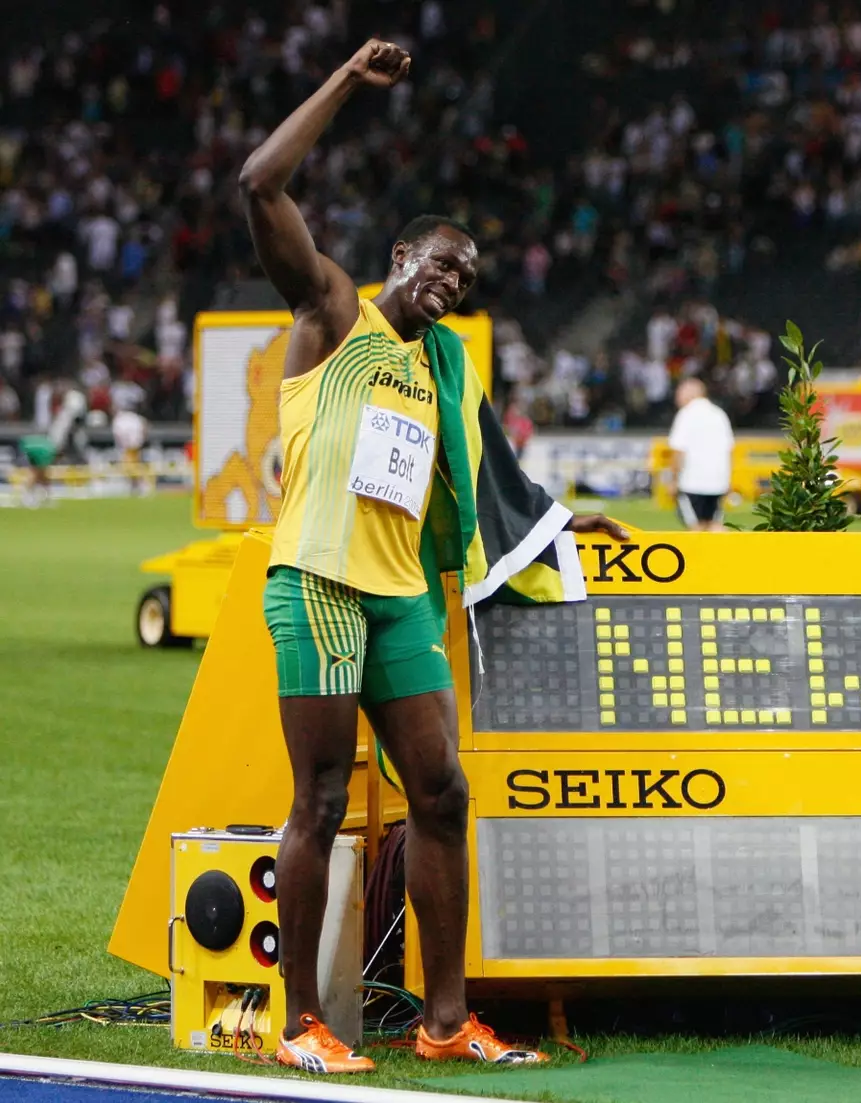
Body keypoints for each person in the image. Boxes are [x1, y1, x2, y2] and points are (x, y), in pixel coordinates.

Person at [241, 39, 626, 1075]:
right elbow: (257, 182)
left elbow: (489, 469)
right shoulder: (331, 315)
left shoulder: (444, 369)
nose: (455, 281)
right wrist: (344, 86)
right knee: (319, 799)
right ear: (399, 260)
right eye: (441, 262)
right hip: (318, 584)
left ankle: (445, 1018)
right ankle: (301, 1025)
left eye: (468, 273)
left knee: (443, 791)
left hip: (401, 596)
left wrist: (554, 524)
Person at [667, 377, 733, 531]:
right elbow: (728, 449)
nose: (677, 397)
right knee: (715, 525)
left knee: (695, 528)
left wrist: (673, 480)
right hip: (718, 482)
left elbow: (678, 450)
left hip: (692, 483)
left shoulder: (686, 414)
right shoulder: (719, 414)